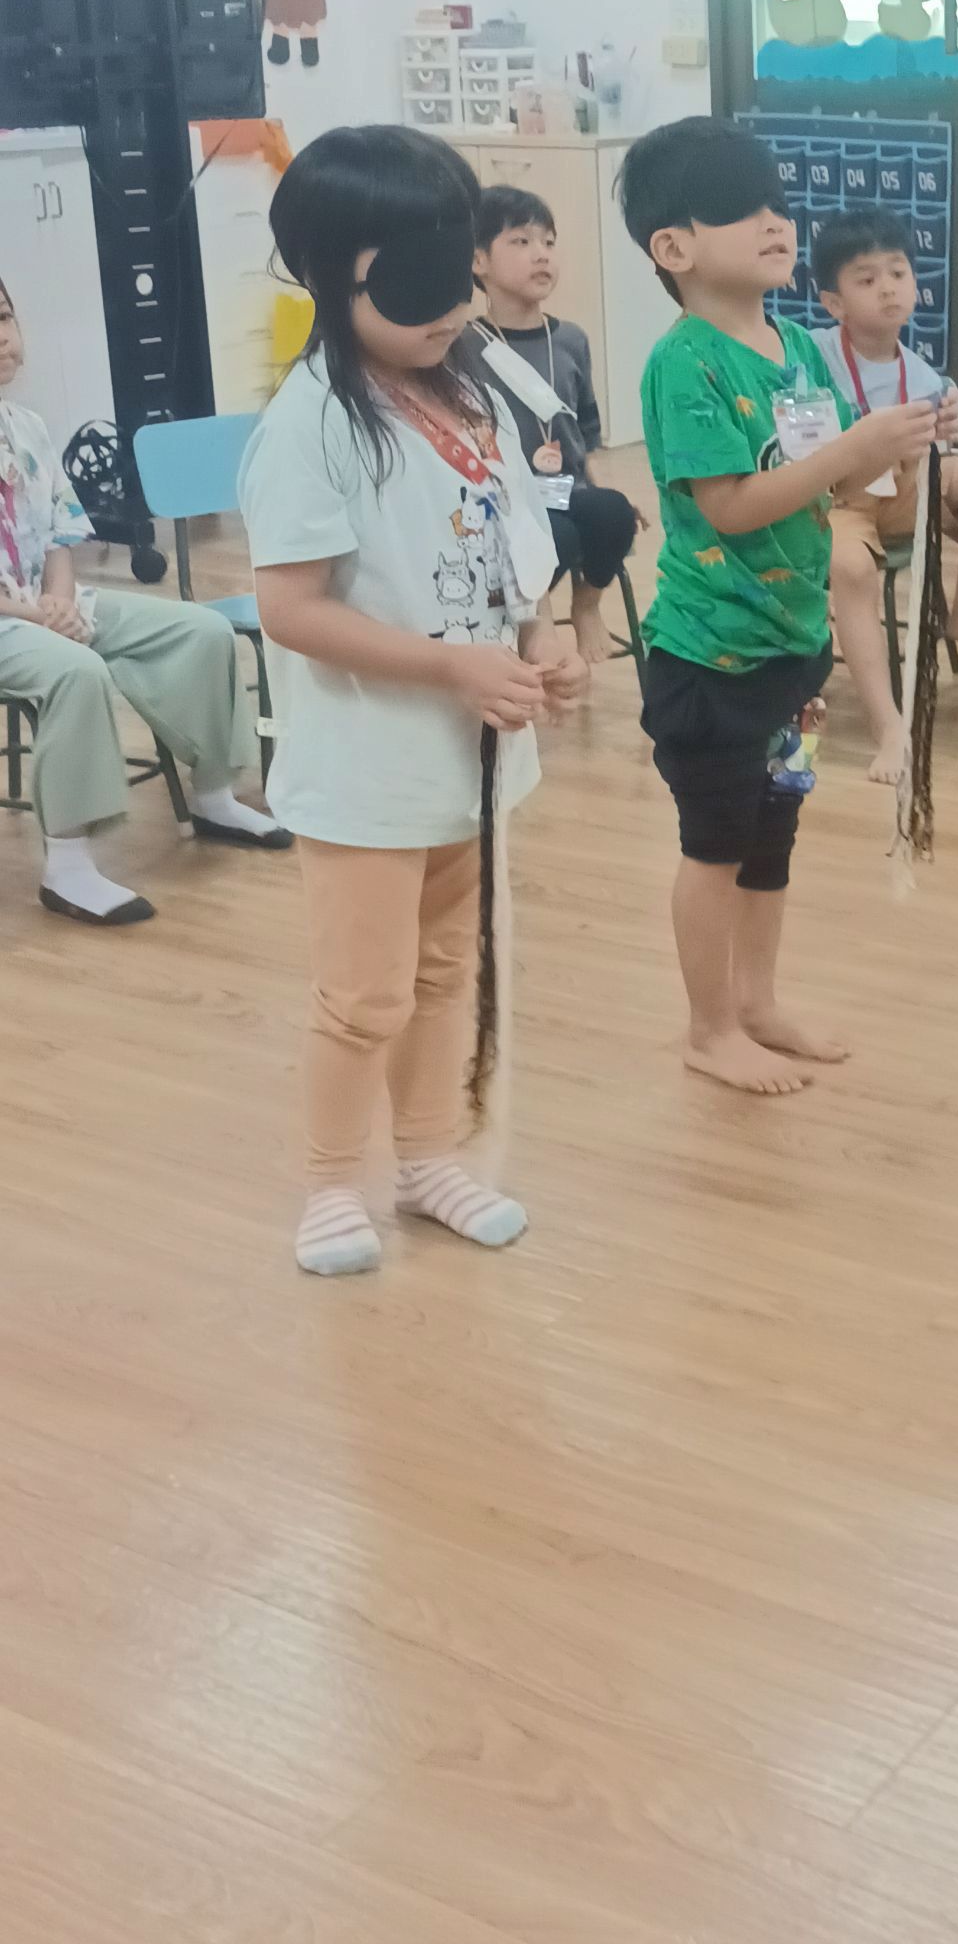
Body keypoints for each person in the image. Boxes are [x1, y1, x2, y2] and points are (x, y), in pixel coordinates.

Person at [240, 126, 586, 1276]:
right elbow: (290, 609)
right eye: (419, 283)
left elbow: (513, 545)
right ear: (331, 276)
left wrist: (542, 638)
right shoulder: (313, 426)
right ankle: (331, 1185)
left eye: (459, 271)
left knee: (447, 974)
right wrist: (451, 668)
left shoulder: (467, 389)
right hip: (367, 774)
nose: (452, 308)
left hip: (465, 765)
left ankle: (429, 1157)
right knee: (364, 996)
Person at [617, 116, 954, 1096]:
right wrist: (857, 448)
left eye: (775, 201)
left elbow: (844, 487)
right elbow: (732, 506)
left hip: (793, 652)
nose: (774, 221)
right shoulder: (685, 364)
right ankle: (708, 1026)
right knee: (715, 848)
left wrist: (906, 441)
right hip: (711, 661)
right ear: (674, 247)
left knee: (772, 841)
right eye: (740, 208)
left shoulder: (798, 348)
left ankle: (757, 1004)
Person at [0, 275, 286, 927]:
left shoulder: (27, 427)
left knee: (199, 631)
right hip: (10, 620)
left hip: (46, 603)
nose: (3, 337)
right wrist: (40, 615)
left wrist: (59, 600)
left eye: (5, 317)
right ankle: (68, 865)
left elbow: (62, 533)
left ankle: (214, 796)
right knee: (76, 671)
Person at [810, 209, 958, 780]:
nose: (888, 288)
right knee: (851, 569)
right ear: (834, 303)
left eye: (898, 273)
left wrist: (947, 432)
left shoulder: (925, 377)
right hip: (838, 501)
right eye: (867, 278)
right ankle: (888, 726)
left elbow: (931, 465)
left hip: (902, 490)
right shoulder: (813, 352)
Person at [459, 183, 645, 668]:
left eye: (548, 242)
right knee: (554, 537)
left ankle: (586, 606)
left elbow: (585, 432)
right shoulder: (464, 345)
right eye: (521, 242)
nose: (541, 254)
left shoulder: (570, 340)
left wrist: (604, 491)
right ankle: (532, 625)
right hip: (502, 500)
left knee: (613, 514)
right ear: (478, 261)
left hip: (564, 489)